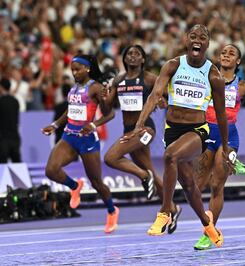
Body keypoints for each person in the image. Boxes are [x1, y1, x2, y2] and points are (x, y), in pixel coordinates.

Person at [121, 25, 232, 247]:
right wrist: (139, 125)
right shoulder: (173, 66)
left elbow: (221, 115)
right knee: (190, 186)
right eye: (193, 36)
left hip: (198, 132)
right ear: (186, 40)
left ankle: (165, 212)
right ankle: (208, 226)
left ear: (207, 45)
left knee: (170, 156)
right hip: (172, 130)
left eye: (202, 37)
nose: (197, 40)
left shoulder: (213, 75)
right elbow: (154, 96)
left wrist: (226, 148)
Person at [193, 44, 245, 250]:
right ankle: (235, 165)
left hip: (229, 138)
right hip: (206, 134)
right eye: (223, 52)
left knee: (217, 186)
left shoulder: (243, 86)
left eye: (231, 53)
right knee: (196, 188)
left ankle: (209, 232)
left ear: (238, 62)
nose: (226, 55)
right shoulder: (206, 79)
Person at [102, 45, 181, 234]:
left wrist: (163, 101)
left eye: (137, 54)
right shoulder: (119, 80)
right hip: (129, 129)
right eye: (129, 53)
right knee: (152, 172)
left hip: (145, 129)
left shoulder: (149, 78)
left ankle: (144, 177)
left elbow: (168, 94)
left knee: (110, 158)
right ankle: (173, 208)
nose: (133, 56)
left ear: (143, 60)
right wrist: (105, 96)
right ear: (124, 58)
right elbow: (107, 109)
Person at [41, 55, 119, 233]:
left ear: (88, 69)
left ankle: (112, 211)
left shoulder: (96, 88)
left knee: (97, 182)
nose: (74, 73)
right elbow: (70, 108)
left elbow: (110, 114)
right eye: (72, 69)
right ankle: (75, 186)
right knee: (51, 170)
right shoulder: (75, 88)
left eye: (78, 69)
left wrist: (93, 125)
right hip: (69, 136)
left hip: (87, 140)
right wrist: (55, 125)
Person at [0, 78, 21, 163]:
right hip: (15, 137)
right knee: (17, 163)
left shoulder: (0, 102)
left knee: (2, 164)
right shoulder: (15, 101)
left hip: (3, 138)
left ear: (1, 87)